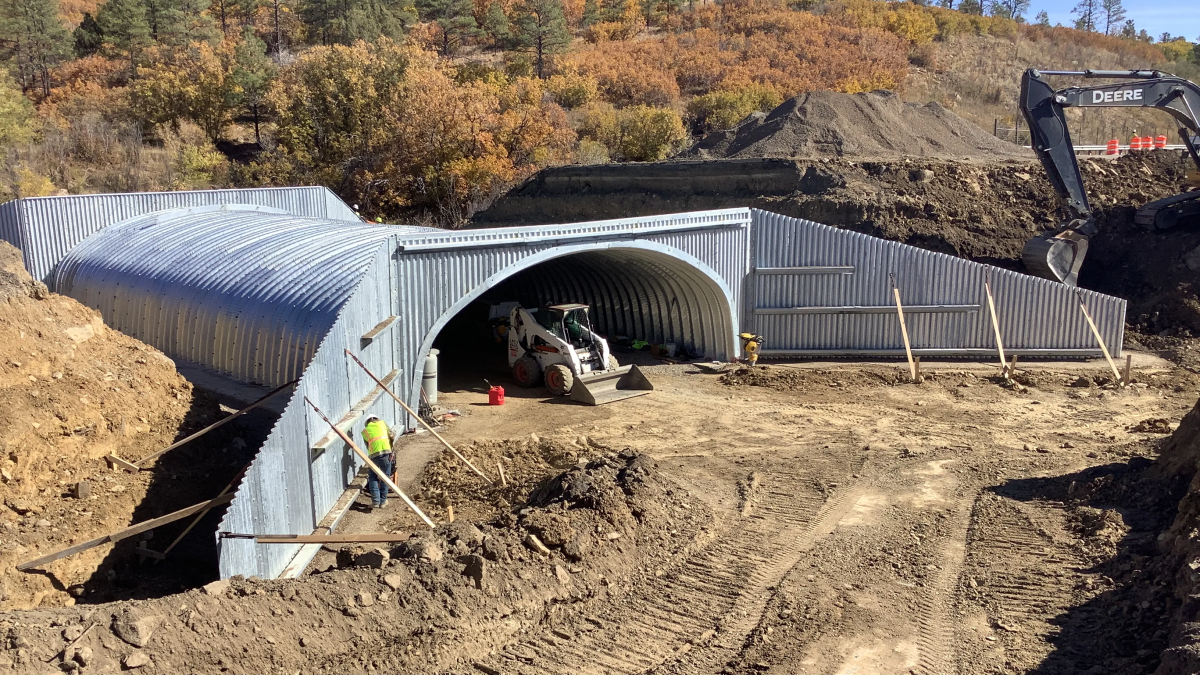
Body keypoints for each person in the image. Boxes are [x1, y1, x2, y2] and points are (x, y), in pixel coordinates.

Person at [361, 415, 393, 510]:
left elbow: (367, 445)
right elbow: (391, 436)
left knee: (373, 477)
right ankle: (383, 502)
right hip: (386, 453)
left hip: (373, 456)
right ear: (376, 419)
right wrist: (392, 450)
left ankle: (375, 501)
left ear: (367, 422)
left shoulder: (365, 431)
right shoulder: (383, 424)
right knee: (385, 476)